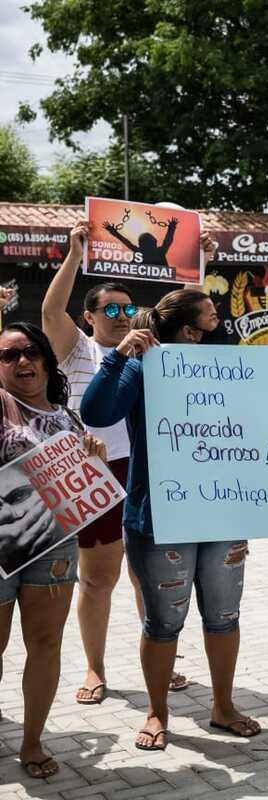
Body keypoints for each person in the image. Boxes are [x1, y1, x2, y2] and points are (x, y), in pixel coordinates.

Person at [81, 289, 259, 751]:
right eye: (212, 317)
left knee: (224, 617)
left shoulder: (231, 371)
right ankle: (157, 713)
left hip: (224, 510)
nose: (221, 323)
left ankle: (223, 707)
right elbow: (96, 412)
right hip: (160, 518)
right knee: (162, 624)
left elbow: (252, 431)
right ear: (189, 331)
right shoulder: (143, 368)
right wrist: (118, 357)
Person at [41, 222, 209, 706]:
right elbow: (50, 311)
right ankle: (95, 668)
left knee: (147, 576)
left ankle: (160, 662)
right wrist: (74, 254)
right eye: (110, 309)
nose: (121, 316)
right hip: (91, 474)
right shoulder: (76, 348)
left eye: (128, 309)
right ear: (89, 317)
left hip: (140, 471)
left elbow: (191, 314)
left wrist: (200, 263)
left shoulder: (149, 350)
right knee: (98, 579)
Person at [0, 323, 106, 778]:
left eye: (31, 351)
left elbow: (81, 482)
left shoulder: (67, 417)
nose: (22, 361)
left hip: (54, 544)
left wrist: (93, 457)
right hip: (2, 545)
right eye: (9, 355)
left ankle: (32, 741)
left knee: (45, 644)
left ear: (46, 358)